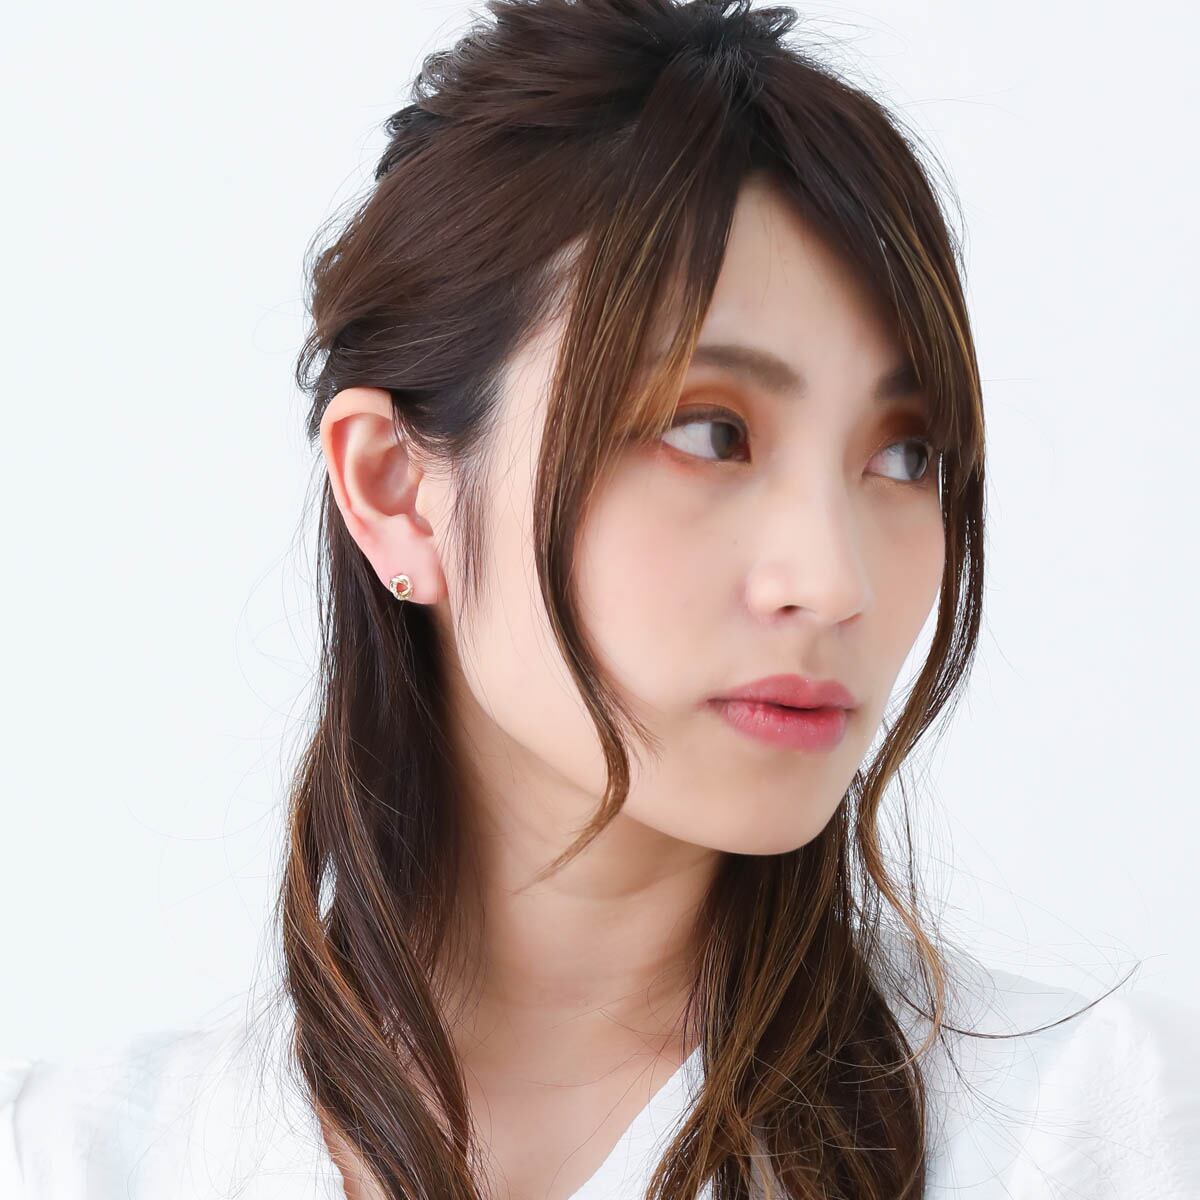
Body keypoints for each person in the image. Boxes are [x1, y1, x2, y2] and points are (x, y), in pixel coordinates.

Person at [4, 1, 1198, 1197]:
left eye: (904, 455)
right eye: (710, 431)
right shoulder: (77, 1161)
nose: (837, 582)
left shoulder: (1096, 1134)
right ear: (396, 490)